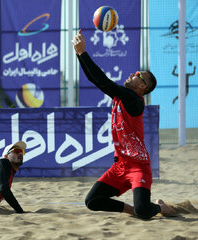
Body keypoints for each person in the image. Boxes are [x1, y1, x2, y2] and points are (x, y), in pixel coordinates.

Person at [72, 29, 175, 219]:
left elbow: (103, 81)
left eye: (138, 75)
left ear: (143, 87)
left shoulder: (134, 100)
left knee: (145, 211)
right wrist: (79, 54)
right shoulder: (120, 97)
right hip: (119, 166)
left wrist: (83, 52)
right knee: (92, 201)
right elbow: (95, 80)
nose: (133, 73)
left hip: (138, 167)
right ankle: (131, 210)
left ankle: (160, 208)